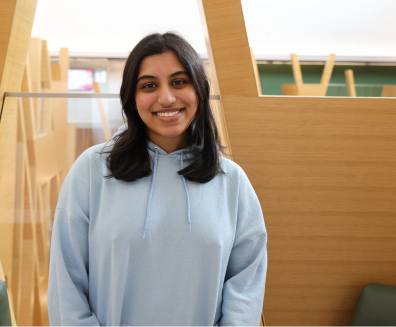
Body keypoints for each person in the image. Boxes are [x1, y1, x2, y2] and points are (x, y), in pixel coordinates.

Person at [48, 32, 267, 326]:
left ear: (199, 90)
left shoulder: (232, 182)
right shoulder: (91, 171)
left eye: (179, 82)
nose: (166, 98)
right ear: (132, 97)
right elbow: (67, 284)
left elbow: (246, 286)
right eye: (149, 85)